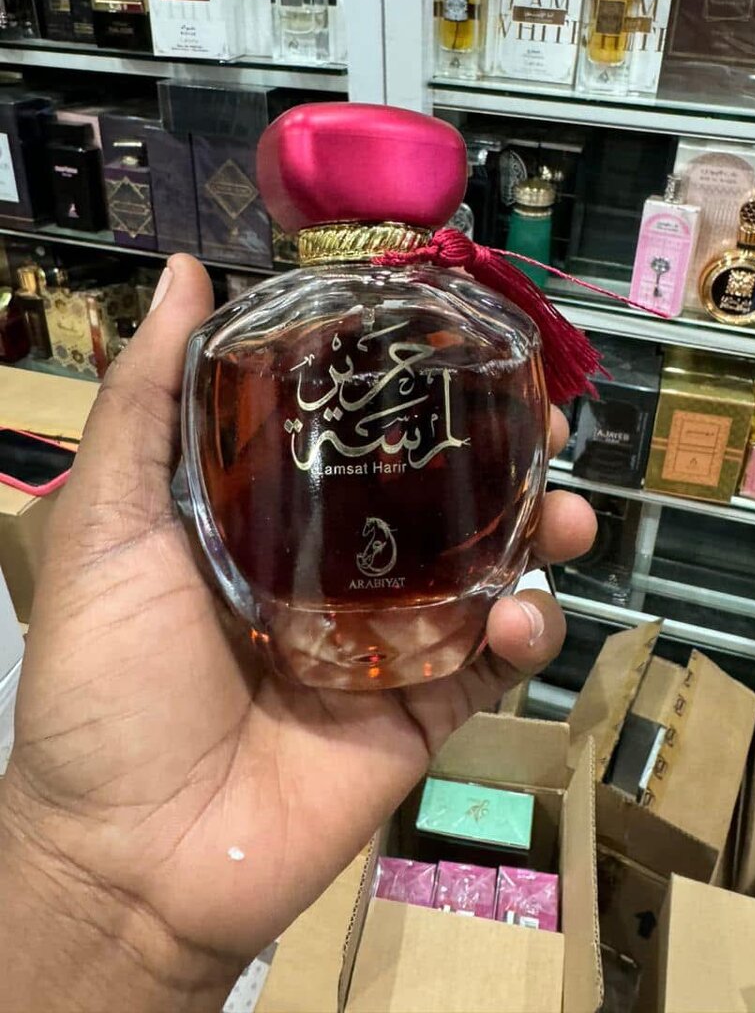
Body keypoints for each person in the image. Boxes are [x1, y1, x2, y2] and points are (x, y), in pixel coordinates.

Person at [0, 255, 596, 1012]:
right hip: (274, 665)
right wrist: (87, 872)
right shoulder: (243, 342)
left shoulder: (487, 336)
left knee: (541, 543)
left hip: (432, 637)